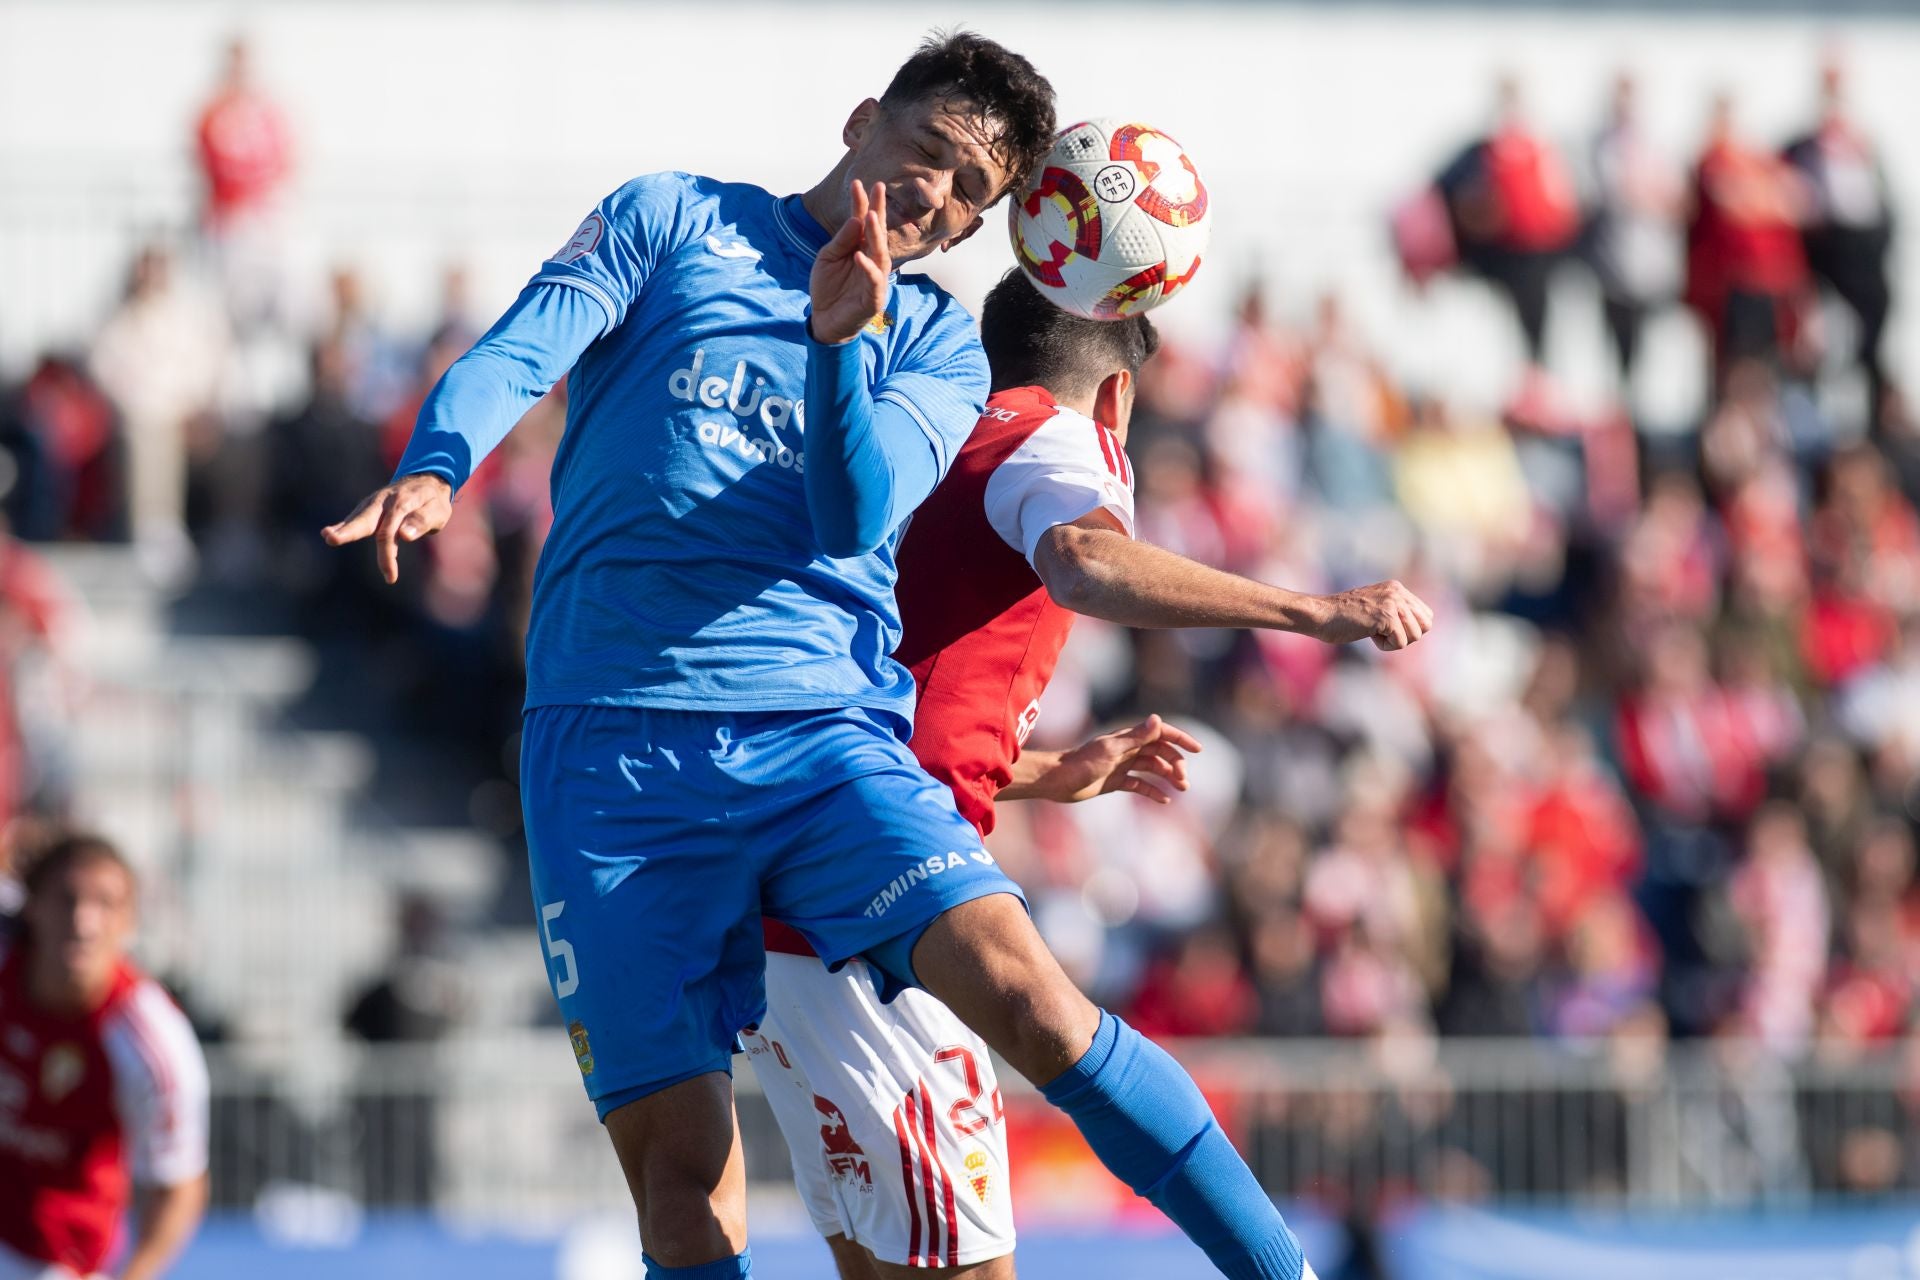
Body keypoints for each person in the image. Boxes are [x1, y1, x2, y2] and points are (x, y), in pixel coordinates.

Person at [326, 33, 1415, 1280]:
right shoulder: (672, 220)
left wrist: (841, 343)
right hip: (609, 754)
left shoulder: (937, 346)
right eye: (929, 150)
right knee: (683, 1187)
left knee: (1035, 1000)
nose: (934, 194)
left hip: (820, 743)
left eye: (970, 193)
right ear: (862, 122)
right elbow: (525, 345)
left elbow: (853, 516)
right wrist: (439, 461)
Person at [750, 271, 1428, 1277]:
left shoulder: (918, 441)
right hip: (865, 863)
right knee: (1049, 1018)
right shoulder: (1057, 432)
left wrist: (1043, 770)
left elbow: (894, 704)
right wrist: (1314, 610)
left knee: (903, 1264)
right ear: (1119, 395)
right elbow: (1082, 558)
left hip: (793, 872)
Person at [0, 834, 209, 1280]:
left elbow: (178, 1185)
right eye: (66, 899)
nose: (83, 921)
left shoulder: (151, 1043)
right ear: (33, 906)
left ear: (129, 921)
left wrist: (135, 1273)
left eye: (105, 904)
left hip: (50, 1256)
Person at [1784, 54, 1895, 431]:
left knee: (1871, 347)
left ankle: (1873, 427)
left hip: (1864, 256)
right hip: (1823, 257)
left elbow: (1882, 203)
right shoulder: (1802, 147)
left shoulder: (1863, 145)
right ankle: (1811, 426)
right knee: (1816, 345)